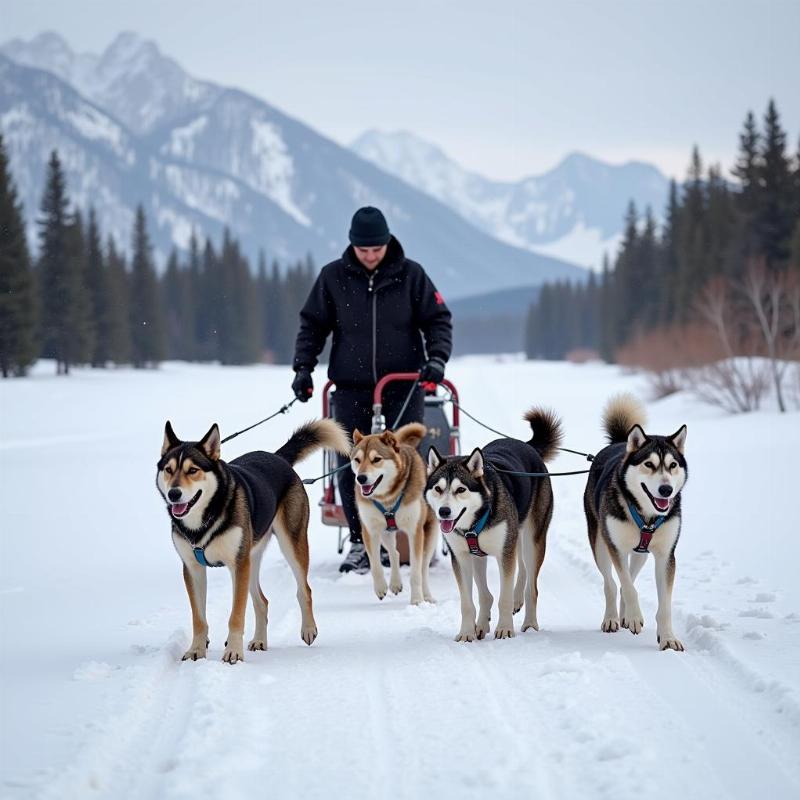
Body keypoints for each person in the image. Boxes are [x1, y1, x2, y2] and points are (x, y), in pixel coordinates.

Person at [291, 206, 452, 573]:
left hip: (403, 386)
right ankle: (360, 542)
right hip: (351, 387)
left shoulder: (412, 276)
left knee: (407, 461)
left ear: (386, 242)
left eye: (376, 249)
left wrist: (437, 359)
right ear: (353, 245)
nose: (370, 256)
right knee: (355, 464)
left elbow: (438, 319)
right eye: (364, 250)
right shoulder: (333, 277)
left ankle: (415, 533)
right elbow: (312, 324)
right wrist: (303, 367)